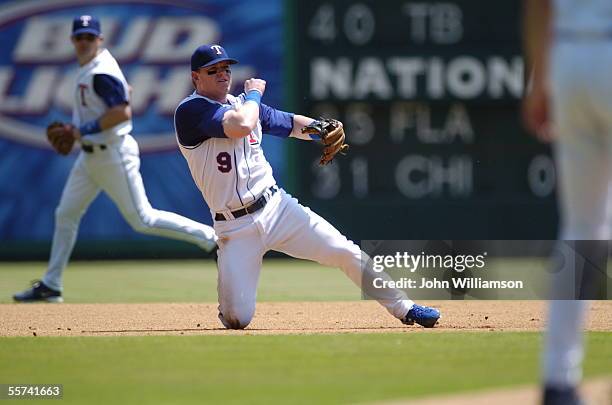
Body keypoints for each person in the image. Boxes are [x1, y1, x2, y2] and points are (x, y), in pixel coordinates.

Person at [173, 43, 441, 330]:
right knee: (238, 319)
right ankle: (228, 293)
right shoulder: (191, 111)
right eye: (212, 70)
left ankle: (405, 308)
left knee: (344, 251)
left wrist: (320, 128)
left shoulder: (243, 105)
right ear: (195, 78)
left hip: (277, 209)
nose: (222, 74)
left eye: (226, 68)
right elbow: (241, 126)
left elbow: (286, 123)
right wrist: (254, 92)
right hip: (234, 228)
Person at [13, 16, 217, 303]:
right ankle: (51, 284)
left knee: (143, 219)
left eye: (89, 37)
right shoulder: (95, 68)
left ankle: (212, 239)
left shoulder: (100, 71)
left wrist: (79, 130)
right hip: (89, 158)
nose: (84, 42)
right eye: (79, 37)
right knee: (66, 214)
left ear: (100, 40)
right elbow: (123, 95)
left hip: (113, 153)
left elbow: (122, 112)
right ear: (73, 41)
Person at [522, 1, 611, 403]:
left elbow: (538, 6)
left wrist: (538, 81)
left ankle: (558, 378)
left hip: (570, 60)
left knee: (581, 226)